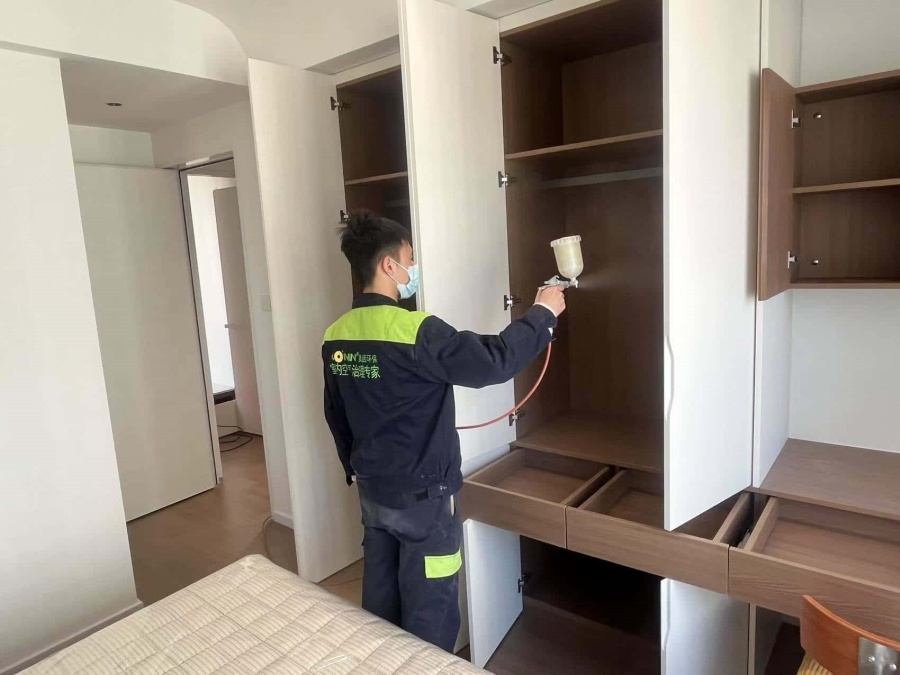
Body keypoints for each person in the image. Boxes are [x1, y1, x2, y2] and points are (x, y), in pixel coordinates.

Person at [322, 211, 566, 652]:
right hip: (424, 500)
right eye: (410, 260)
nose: (413, 269)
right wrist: (543, 314)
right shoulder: (415, 331)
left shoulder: (336, 335)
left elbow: (335, 415)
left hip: (373, 491)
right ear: (389, 266)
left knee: (380, 602)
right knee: (429, 610)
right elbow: (493, 361)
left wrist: (353, 468)